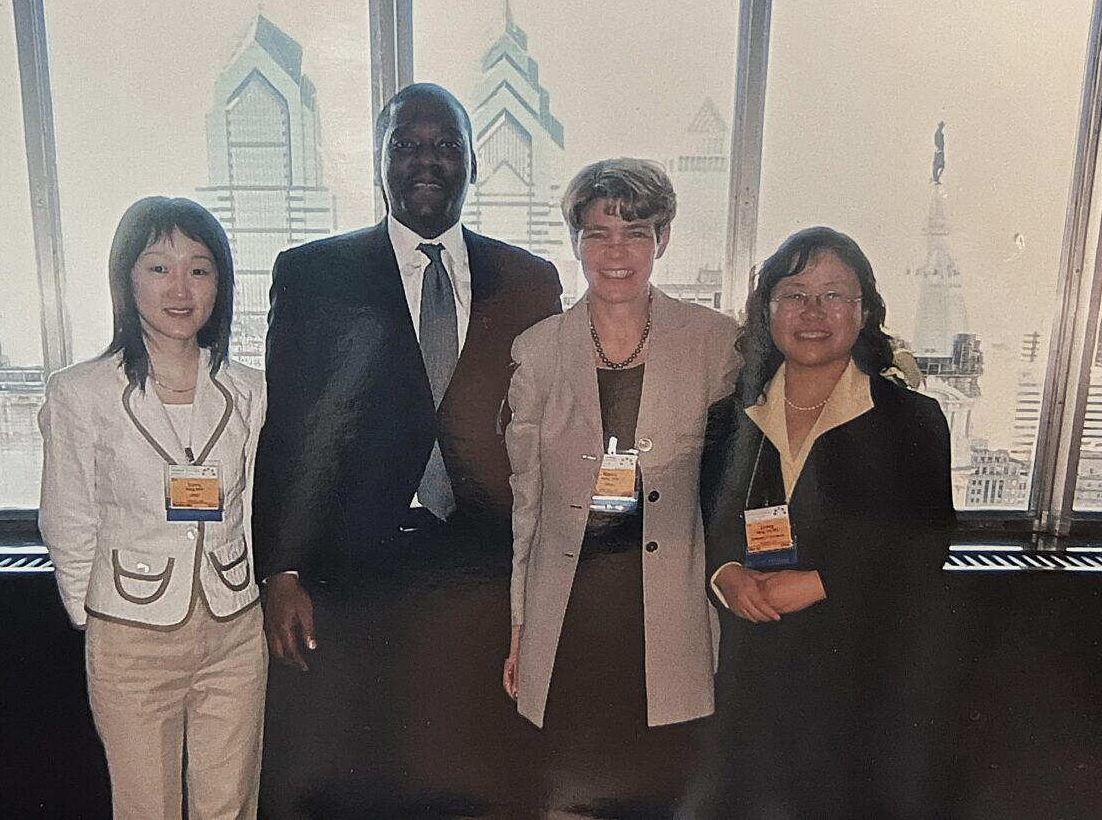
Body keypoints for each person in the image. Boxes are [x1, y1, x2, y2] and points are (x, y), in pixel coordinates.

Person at [253, 82, 562, 815]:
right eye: (407, 145)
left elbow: (551, 425)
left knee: (475, 772)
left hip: (484, 569)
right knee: (367, 773)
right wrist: (282, 569)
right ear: (380, 163)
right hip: (356, 568)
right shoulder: (312, 273)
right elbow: (290, 426)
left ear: (472, 163)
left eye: (447, 145)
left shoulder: (529, 279)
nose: (428, 160)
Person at [503, 158, 739, 812]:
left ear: (662, 239)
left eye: (635, 231)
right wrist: (520, 625)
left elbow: (732, 490)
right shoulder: (538, 351)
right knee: (567, 795)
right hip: (571, 616)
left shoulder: (714, 344)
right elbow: (528, 502)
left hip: (668, 616)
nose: (615, 251)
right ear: (575, 240)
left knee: (662, 793)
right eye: (597, 232)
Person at [703, 226, 955, 818]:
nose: (813, 312)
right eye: (794, 294)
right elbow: (708, 523)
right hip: (750, 677)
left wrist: (820, 583)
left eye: (834, 295)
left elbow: (927, 545)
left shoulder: (909, 421)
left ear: (864, 310)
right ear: (768, 310)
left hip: (865, 678)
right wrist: (727, 575)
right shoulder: (729, 420)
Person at [38, 197, 267, 820]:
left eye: (199, 268)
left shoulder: (249, 389)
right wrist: (96, 617)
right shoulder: (80, 392)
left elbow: (250, 503)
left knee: (232, 803)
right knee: (147, 808)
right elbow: (68, 516)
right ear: (126, 277)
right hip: (130, 633)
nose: (180, 288)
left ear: (220, 282)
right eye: (158, 267)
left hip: (234, 626)